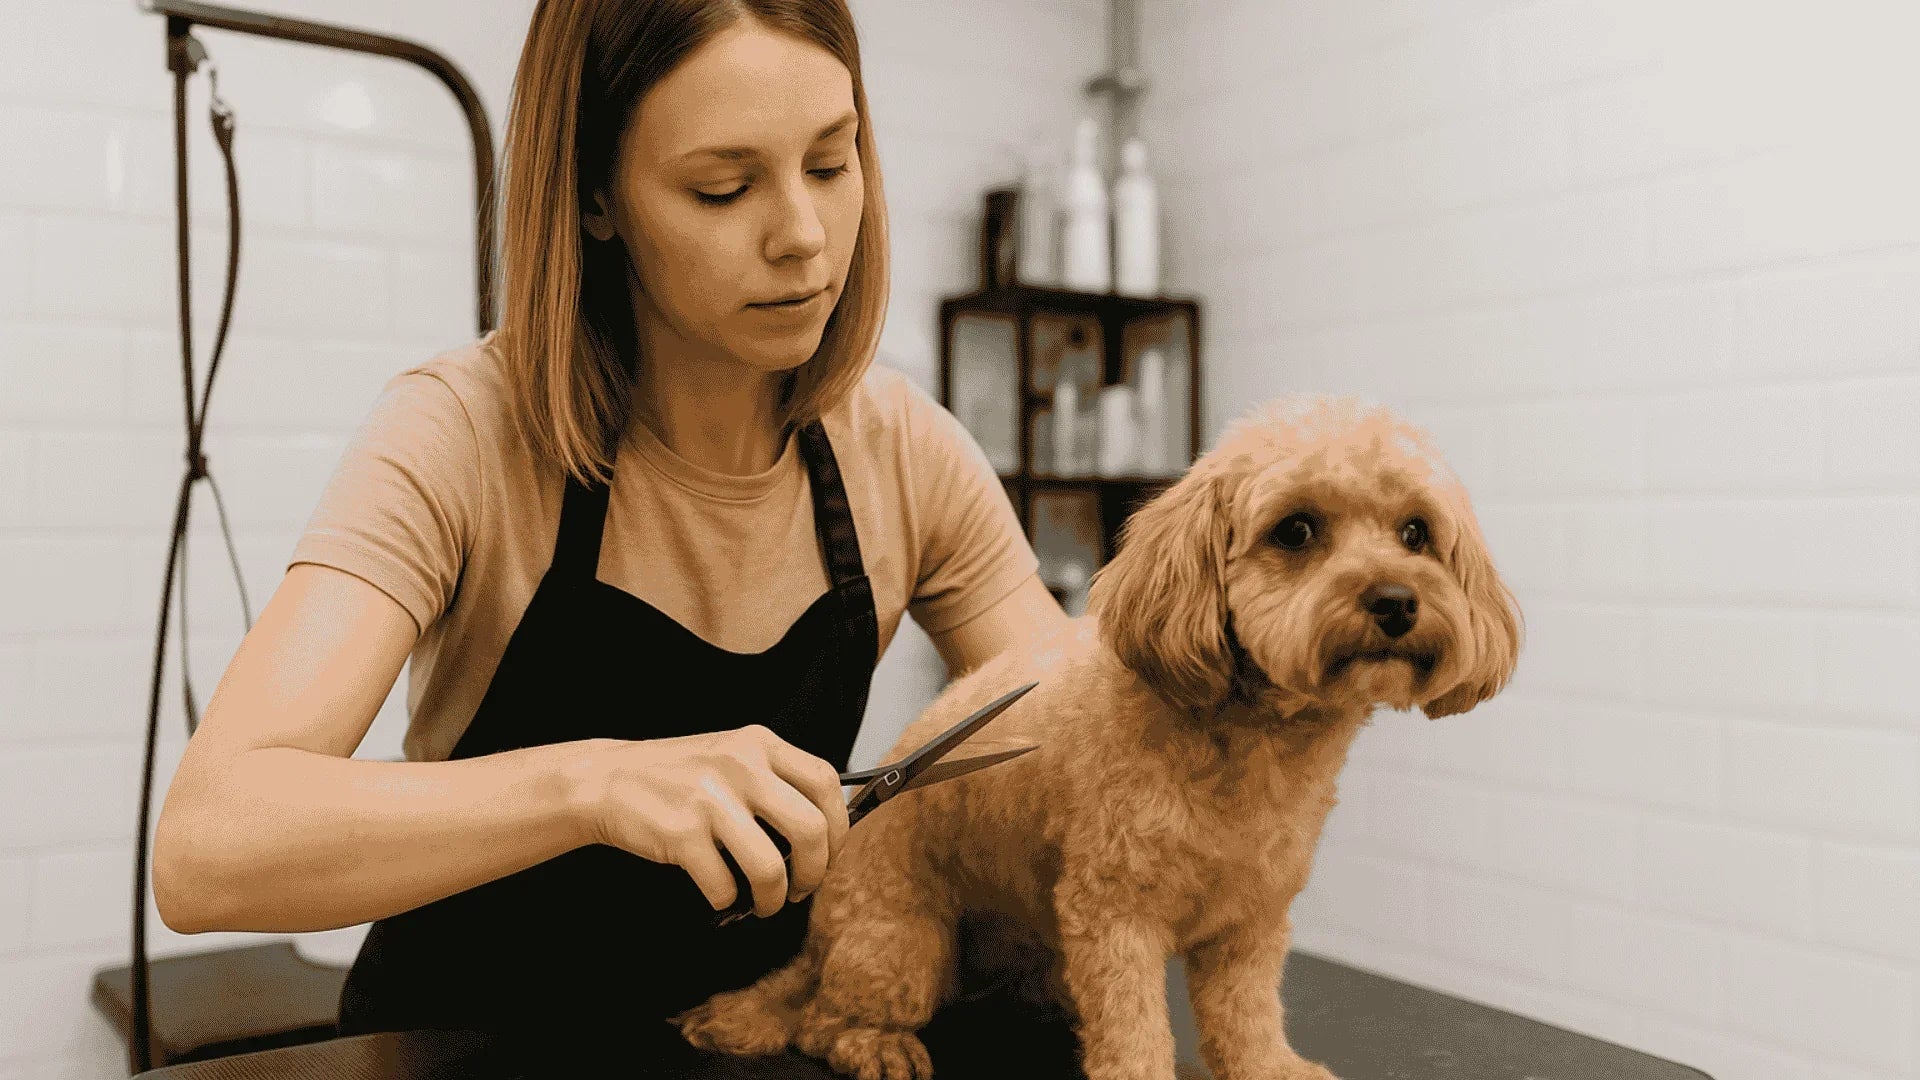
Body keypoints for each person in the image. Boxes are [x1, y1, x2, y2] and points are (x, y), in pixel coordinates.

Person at [151, 0, 1069, 1063]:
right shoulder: (462, 431)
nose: (803, 236)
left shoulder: (903, 451)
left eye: (831, 162)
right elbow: (206, 847)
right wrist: (590, 785)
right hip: (458, 1056)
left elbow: (1075, 739)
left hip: (745, 1051)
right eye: (722, 187)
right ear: (596, 196)